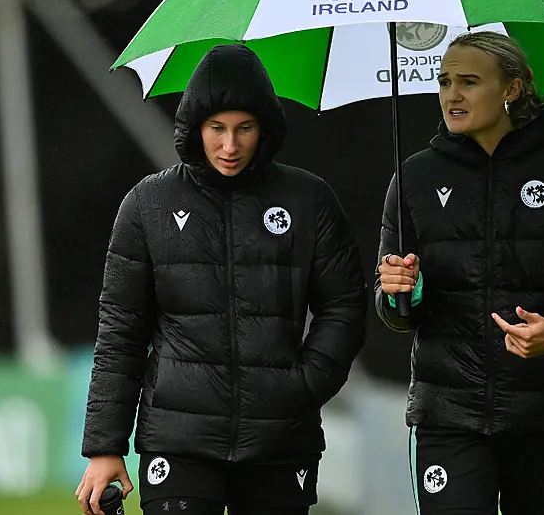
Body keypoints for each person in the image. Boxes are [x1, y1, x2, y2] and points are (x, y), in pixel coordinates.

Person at [76, 44, 367, 515]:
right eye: (217, 129)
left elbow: (346, 307)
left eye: (244, 129)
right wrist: (105, 446)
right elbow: (120, 335)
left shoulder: (309, 199)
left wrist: (303, 386)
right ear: (195, 127)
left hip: (280, 441)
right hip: (177, 444)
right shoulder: (147, 205)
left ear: (264, 129)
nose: (229, 146)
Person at [375, 31, 544, 515]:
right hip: (448, 416)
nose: (452, 94)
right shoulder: (413, 177)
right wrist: (397, 292)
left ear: (513, 89)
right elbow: (397, 310)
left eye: (469, 82)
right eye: (444, 81)